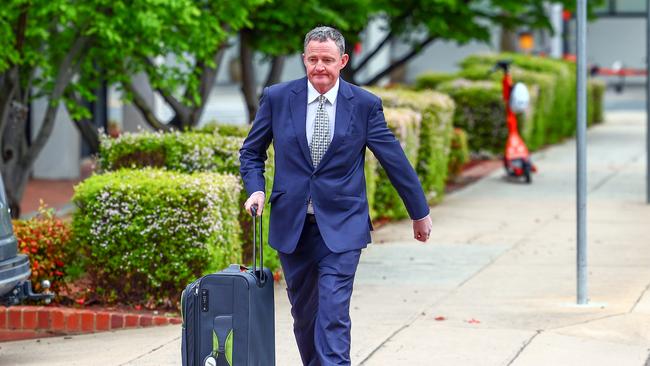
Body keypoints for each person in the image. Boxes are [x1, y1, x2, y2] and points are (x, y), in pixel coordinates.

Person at [239, 25, 433, 366]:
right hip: (292, 227)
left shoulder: (364, 105)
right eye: (312, 59)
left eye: (327, 60)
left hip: (342, 227)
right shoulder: (279, 98)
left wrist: (419, 213)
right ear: (303, 59)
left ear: (342, 60)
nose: (319, 67)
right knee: (305, 317)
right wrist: (256, 188)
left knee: (332, 315)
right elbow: (252, 152)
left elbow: (394, 161)